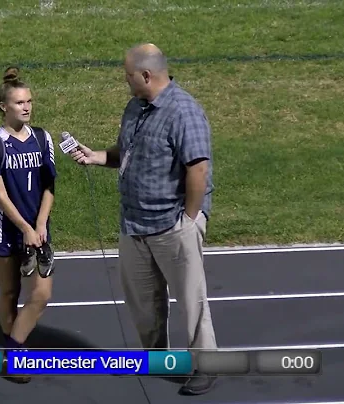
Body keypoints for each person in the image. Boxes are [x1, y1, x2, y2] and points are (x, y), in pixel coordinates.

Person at [68, 44, 218, 395]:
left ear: (146, 75)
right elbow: (128, 152)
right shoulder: (136, 107)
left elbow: (198, 169)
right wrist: (98, 156)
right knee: (142, 300)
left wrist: (189, 219)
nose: (125, 80)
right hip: (134, 225)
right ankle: (156, 355)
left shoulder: (184, 112)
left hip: (171, 225)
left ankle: (206, 366)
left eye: (128, 75)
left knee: (191, 302)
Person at [0, 66, 57, 383]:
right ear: (3, 106)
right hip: (6, 229)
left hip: (38, 230)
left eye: (29, 102)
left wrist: (38, 225)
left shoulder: (42, 138)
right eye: (20, 102)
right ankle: (18, 357)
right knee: (9, 292)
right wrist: (24, 226)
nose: (26, 107)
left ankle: (13, 350)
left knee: (41, 294)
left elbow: (49, 186)